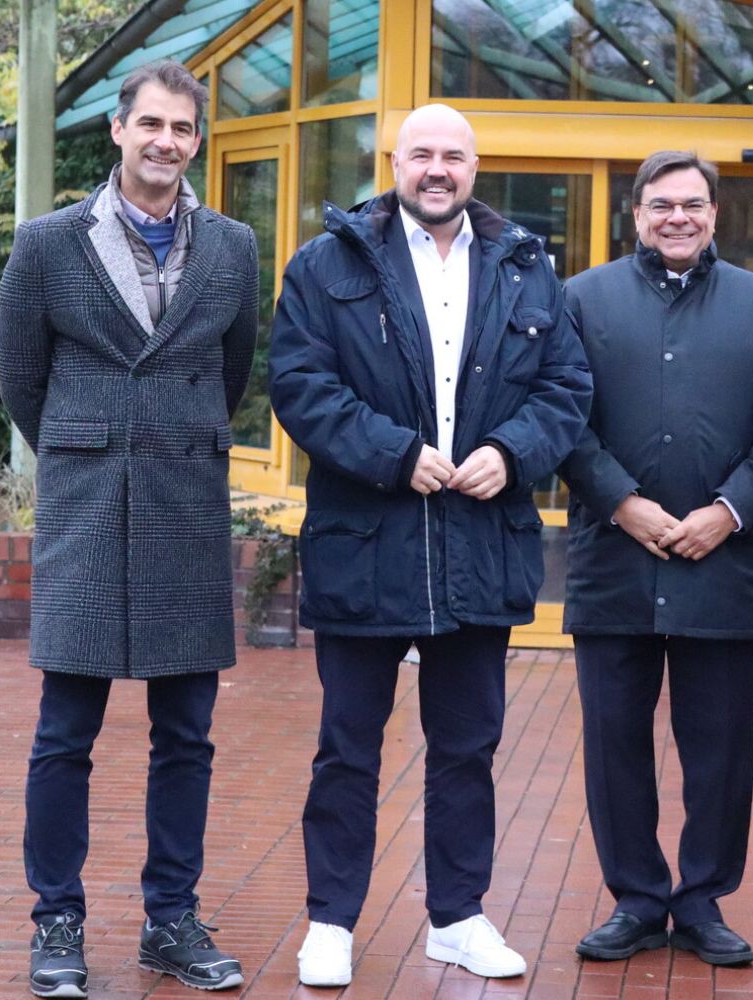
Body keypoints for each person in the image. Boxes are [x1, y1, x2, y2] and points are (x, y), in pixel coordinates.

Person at [268, 103, 591, 988]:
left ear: (475, 167)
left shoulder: (526, 270)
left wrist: (510, 453)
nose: (437, 169)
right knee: (347, 748)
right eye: (422, 155)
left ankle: (458, 916)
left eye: (453, 155)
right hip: (366, 542)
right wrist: (395, 454)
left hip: (479, 543)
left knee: (468, 748)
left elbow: (568, 386)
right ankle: (330, 921)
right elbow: (297, 384)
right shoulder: (326, 264)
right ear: (395, 162)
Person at [0, 59, 258, 997]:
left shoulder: (233, 247)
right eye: (151, 124)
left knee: (186, 733)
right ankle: (55, 920)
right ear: (118, 130)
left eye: (183, 130)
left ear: (197, 141)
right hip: (87, 504)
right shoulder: (47, 243)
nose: (166, 143)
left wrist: (170, 440)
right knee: (66, 730)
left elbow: (233, 372)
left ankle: (170, 920)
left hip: (187, 501)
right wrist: (92, 444)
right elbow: (21, 379)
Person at [558, 151, 753, 967]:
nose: (678, 218)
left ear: (715, 213)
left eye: (693, 204)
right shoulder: (582, 302)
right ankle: (634, 898)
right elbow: (561, 417)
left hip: (720, 567)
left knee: (721, 748)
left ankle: (700, 901)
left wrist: (728, 512)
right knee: (614, 743)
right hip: (612, 563)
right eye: (661, 205)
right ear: (636, 214)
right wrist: (621, 502)